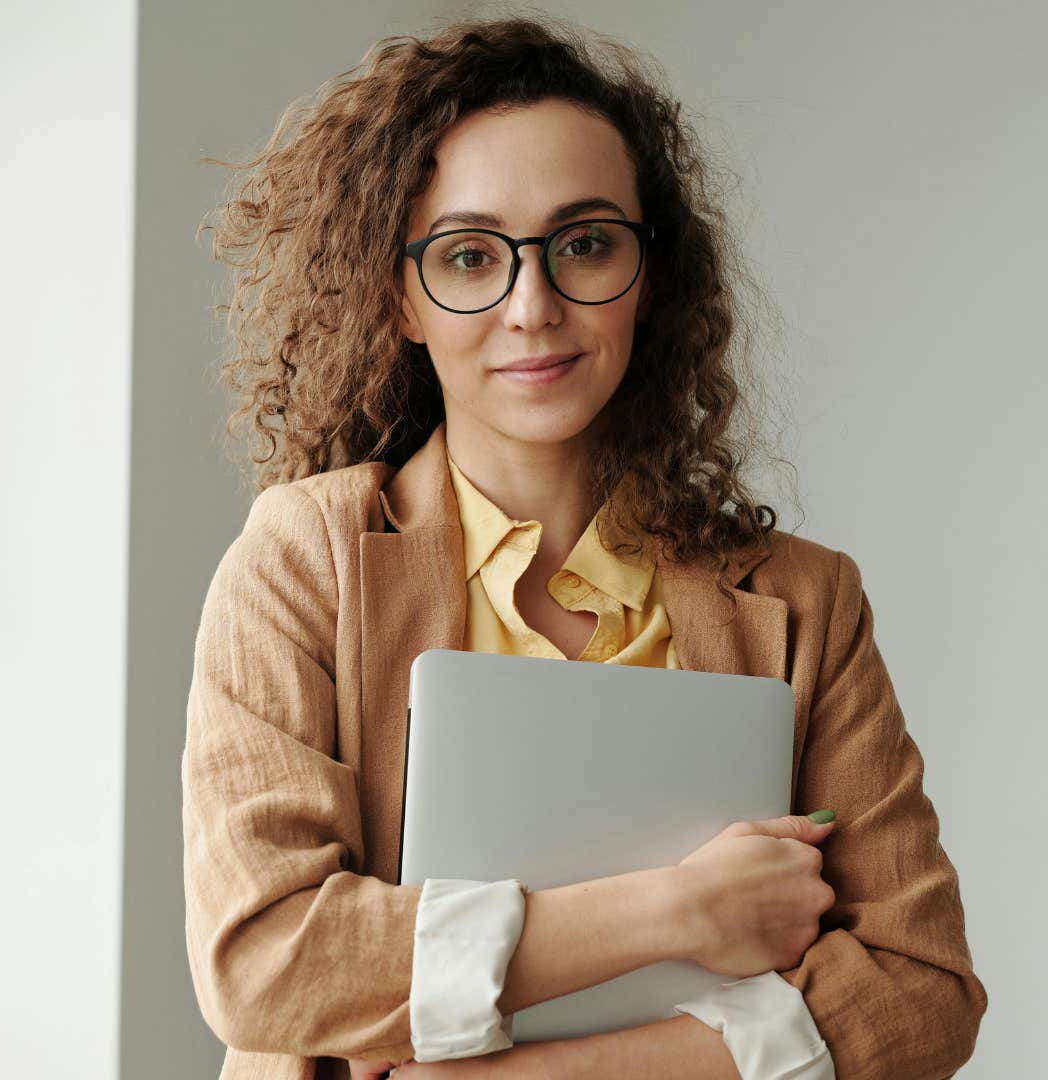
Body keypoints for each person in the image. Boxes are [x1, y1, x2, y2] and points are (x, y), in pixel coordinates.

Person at [182, 15, 986, 1080]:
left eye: (586, 243)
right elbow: (267, 962)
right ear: (401, 299)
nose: (534, 307)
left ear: (650, 275)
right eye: (470, 255)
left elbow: (922, 996)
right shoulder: (305, 561)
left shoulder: (806, 601)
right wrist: (680, 910)